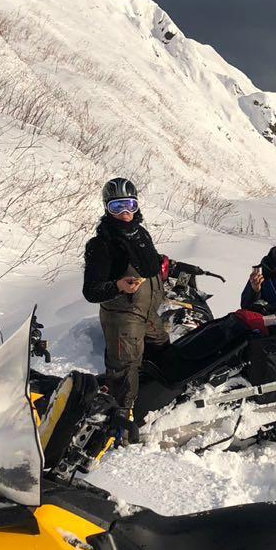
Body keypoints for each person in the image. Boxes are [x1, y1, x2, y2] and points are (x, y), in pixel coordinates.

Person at [82, 178, 170, 442]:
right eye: (117, 206)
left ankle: (156, 400)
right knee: (124, 369)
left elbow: (150, 264)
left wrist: (167, 265)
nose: (124, 212)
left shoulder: (140, 234)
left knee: (163, 353)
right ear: (106, 208)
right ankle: (120, 423)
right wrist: (118, 286)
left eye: (129, 204)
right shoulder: (101, 245)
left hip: (148, 313)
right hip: (123, 318)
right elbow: (91, 291)